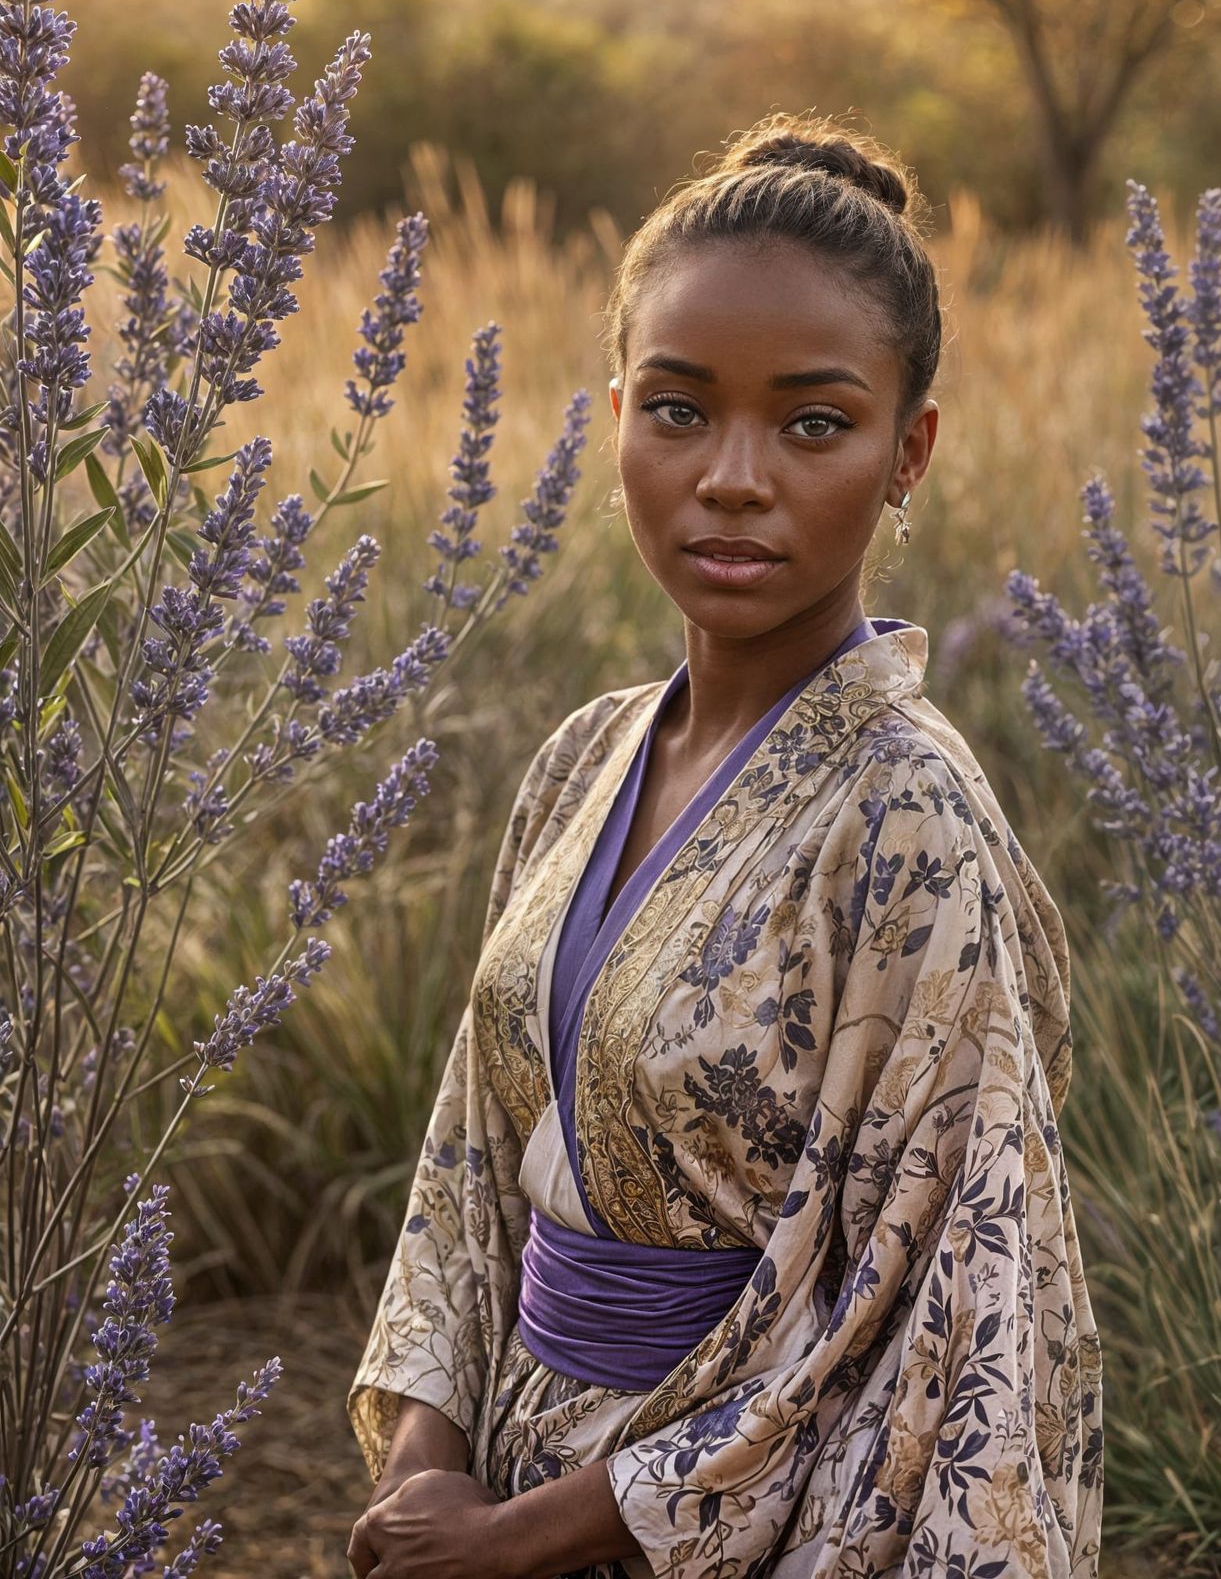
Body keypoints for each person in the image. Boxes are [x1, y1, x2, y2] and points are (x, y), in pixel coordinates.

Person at [345, 111, 1103, 1579]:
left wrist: (531, 1537)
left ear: (909, 450)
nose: (735, 475)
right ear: (616, 410)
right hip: (502, 1471)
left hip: (746, 1532)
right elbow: (470, 1161)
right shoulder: (585, 755)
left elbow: (916, 1313)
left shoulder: (908, 822)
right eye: (680, 410)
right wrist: (433, 1463)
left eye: (814, 422)